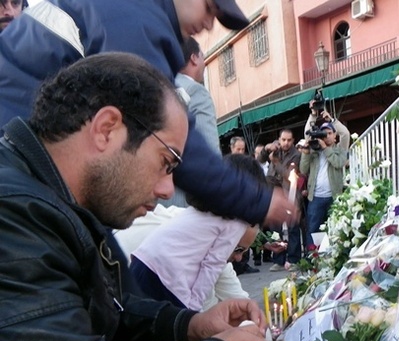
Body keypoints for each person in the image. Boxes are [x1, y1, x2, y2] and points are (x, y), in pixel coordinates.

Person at [0, 53, 281, 341]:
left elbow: (108, 310)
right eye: (167, 161)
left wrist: (190, 326)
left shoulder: (52, 199)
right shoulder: (15, 214)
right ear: (107, 129)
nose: (169, 190)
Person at [0, 0, 296, 231]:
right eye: (209, 7)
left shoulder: (137, 18)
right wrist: (257, 201)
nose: (208, 24)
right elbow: (167, 134)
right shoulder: (134, 19)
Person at [130, 154, 265, 310]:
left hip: (144, 260)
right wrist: (193, 309)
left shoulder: (201, 210)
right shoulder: (235, 224)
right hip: (167, 279)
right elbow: (212, 266)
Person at [163, 36, 221, 208]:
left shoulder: (159, 88)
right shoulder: (196, 92)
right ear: (194, 58)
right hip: (183, 205)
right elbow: (209, 157)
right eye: (203, 56)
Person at [300, 106, 350, 249]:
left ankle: (332, 257)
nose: (326, 136)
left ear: (335, 135)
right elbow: (303, 169)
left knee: (335, 229)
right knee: (312, 230)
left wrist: (332, 121)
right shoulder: (315, 150)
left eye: (329, 133)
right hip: (315, 197)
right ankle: (312, 259)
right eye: (323, 133)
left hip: (333, 197)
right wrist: (305, 152)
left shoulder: (339, 149)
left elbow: (338, 162)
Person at [261, 129, 303, 271]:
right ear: (279, 139)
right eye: (283, 140)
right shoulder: (275, 149)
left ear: (293, 141)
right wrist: (267, 149)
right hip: (274, 194)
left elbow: (289, 175)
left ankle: (294, 259)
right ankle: (279, 260)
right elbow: (260, 158)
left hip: (290, 194)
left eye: (289, 140)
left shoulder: (296, 155)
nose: (286, 143)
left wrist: (276, 162)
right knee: (276, 229)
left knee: (292, 228)